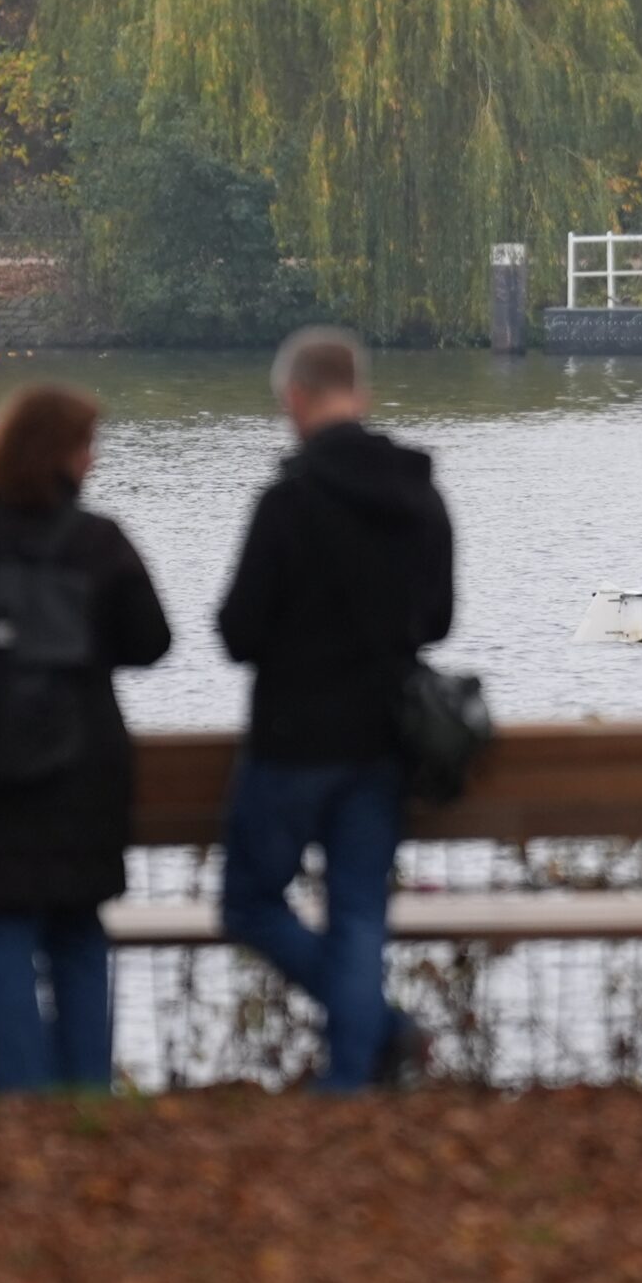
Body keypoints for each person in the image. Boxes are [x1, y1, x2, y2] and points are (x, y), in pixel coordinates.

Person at [0, 384, 170, 1094]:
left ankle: (23, 1106)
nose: (93, 462)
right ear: (61, 456)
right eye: (86, 447)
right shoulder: (96, 543)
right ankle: (86, 1104)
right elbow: (151, 642)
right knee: (77, 932)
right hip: (80, 772)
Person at [217, 327, 455, 1091]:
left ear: (294, 399)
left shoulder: (287, 503)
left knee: (252, 902)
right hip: (383, 738)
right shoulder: (418, 495)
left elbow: (238, 632)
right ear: (363, 394)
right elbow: (439, 619)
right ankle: (355, 1072)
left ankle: (377, 1040)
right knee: (358, 914)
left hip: (293, 737)